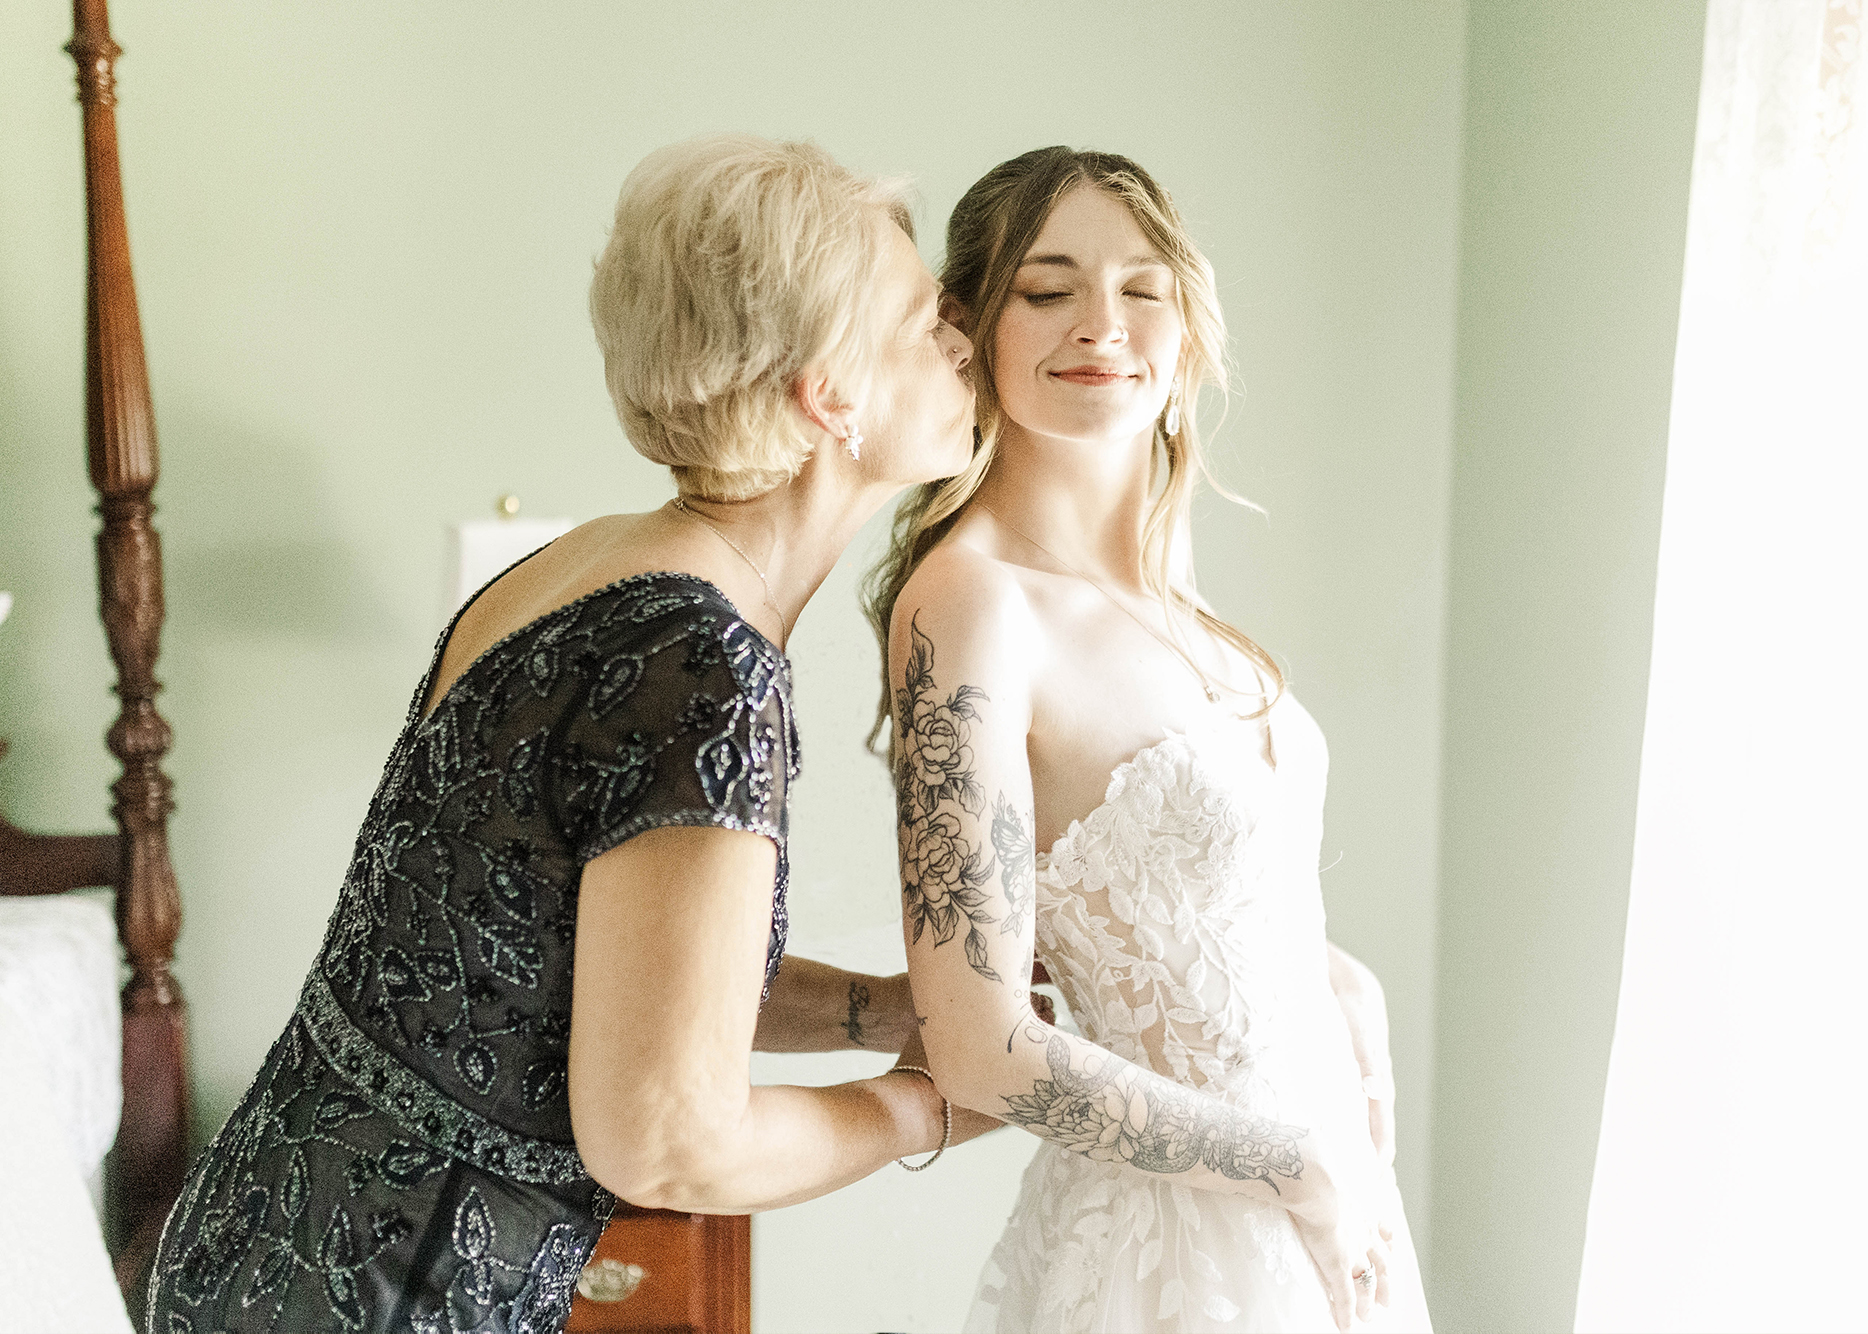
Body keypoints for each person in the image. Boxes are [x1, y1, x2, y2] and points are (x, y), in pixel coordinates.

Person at [145, 134, 997, 1334]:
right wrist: (936, 1107)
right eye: (922, 322)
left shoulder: (580, 564)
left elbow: (595, 971)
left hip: (243, 1248)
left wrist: (889, 1008)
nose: (961, 340)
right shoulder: (702, 668)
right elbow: (672, 1142)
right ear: (829, 392)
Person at [866, 147, 1432, 1332]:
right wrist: (1291, 1165)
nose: (1099, 325)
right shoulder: (972, 604)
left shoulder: (1187, 615)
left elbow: (1201, 921)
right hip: (1168, 1253)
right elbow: (979, 1049)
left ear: (1185, 327)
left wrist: (1349, 994)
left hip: (1333, 1229)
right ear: (966, 325)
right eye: (1047, 287)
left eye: (1141, 288)